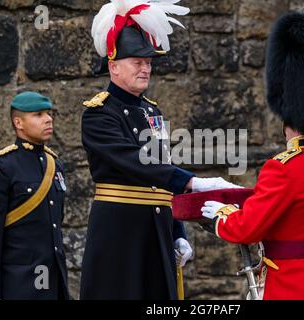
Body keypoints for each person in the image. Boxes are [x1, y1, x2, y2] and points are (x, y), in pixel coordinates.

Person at [80, 0, 239, 300]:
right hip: (120, 232)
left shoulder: (151, 112)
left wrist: (178, 231)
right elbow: (135, 162)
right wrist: (193, 182)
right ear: (113, 66)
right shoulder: (99, 114)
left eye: (149, 62)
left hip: (157, 229)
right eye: (137, 61)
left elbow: (161, 175)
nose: (145, 68)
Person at [201, 12, 304, 300]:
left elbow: (247, 228)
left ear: (289, 119)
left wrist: (221, 217)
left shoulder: (283, 168)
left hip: (291, 286)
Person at [0, 91, 69, 300]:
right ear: (19, 122)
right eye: (38, 115)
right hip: (20, 283)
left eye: (49, 113)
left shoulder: (55, 165)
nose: (48, 119)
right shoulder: (1, 168)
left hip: (52, 279)